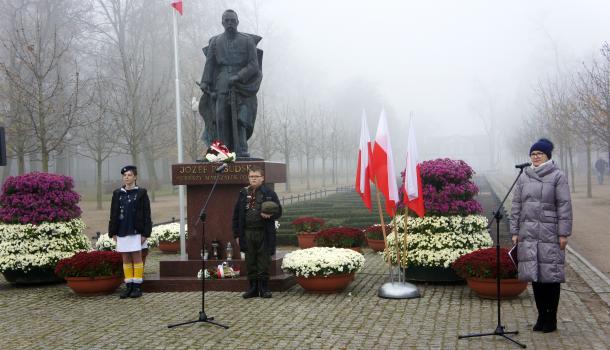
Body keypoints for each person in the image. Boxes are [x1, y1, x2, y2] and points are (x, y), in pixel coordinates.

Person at [510, 138, 572, 333]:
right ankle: (540, 316)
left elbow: (564, 205)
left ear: (547, 156)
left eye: (539, 154)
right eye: (533, 154)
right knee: (535, 276)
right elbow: (516, 205)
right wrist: (514, 231)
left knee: (550, 277)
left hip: (549, 232)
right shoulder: (524, 176)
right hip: (528, 232)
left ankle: (550, 317)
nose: (535, 157)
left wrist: (563, 233)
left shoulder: (557, 176)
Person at [199, 9, 262, 158]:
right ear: (222, 23)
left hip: (242, 86)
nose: (230, 23)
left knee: (241, 118)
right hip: (221, 84)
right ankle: (223, 152)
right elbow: (210, 64)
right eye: (227, 21)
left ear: (237, 22)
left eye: (233, 20)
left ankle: (241, 149)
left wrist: (239, 76)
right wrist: (205, 82)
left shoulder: (247, 41)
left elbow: (254, 65)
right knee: (221, 118)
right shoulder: (215, 42)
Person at [232, 166, 282, 298]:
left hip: (263, 233)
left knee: (263, 260)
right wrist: (237, 234)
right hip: (247, 233)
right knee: (250, 261)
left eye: (256, 177)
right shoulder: (243, 193)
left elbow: (279, 212)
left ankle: (264, 288)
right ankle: (253, 288)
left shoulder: (269, 193)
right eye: (251, 177)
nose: (253, 179)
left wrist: (270, 214)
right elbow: (236, 215)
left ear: (262, 178)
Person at [108, 165, 153, 299]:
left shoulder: (141, 193)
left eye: (129, 175)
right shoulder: (117, 193)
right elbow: (113, 213)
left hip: (136, 231)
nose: (126, 177)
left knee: (136, 257)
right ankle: (128, 286)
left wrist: (145, 233)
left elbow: (147, 214)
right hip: (122, 230)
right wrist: (113, 232)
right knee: (126, 258)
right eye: (124, 175)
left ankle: (137, 286)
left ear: (135, 177)